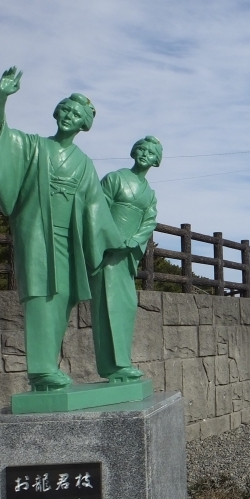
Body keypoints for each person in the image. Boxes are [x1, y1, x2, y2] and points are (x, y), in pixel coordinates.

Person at [0, 66, 126, 391]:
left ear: (84, 124)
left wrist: (111, 242)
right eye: (65, 109)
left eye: (75, 114)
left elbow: (95, 207)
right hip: (37, 230)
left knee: (62, 297)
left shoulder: (84, 163)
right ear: (57, 113)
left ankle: (48, 367)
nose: (68, 116)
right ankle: (40, 370)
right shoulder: (34, 146)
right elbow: (0, 135)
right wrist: (1, 98)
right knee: (39, 293)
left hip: (69, 236)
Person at [89, 137, 161, 381]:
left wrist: (134, 240)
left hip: (127, 253)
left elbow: (150, 220)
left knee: (126, 306)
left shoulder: (149, 195)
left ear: (156, 161)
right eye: (141, 149)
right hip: (108, 251)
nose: (144, 154)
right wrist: (111, 240)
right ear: (134, 151)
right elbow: (97, 209)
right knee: (107, 306)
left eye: (151, 153)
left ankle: (121, 362)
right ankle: (114, 366)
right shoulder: (115, 178)